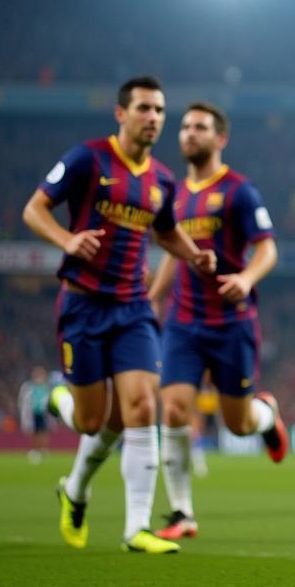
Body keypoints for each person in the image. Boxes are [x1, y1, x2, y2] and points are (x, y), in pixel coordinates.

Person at [22, 76, 216, 554]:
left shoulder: (162, 180)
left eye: (159, 111)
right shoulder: (88, 158)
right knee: (93, 421)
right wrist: (67, 241)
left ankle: (136, 528)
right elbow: (34, 209)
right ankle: (58, 407)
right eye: (145, 108)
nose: (153, 118)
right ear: (121, 113)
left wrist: (194, 255)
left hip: (132, 306)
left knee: (141, 408)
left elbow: (166, 232)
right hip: (83, 302)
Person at [148, 102, 286, 541]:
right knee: (172, 410)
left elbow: (267, 249)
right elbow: (175, 250)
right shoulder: (171, 192)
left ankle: (267, 416)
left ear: (220, 138)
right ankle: (181, 512)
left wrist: (246, 279)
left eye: (200, 127)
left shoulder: (239, 191)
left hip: (232, 322)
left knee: (237, 424)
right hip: (184, 322)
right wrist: (152, 300)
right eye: (185, 126)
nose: (189, 133)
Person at [18, 365, 51, 463]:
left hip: (43, 413)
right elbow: (23, 400)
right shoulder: (28, 386)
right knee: (35, 432)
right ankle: (35, 450)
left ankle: (42, 449)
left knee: (44, 431)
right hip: (33, 413)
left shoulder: (46, 387)